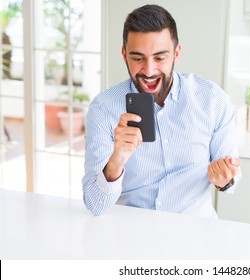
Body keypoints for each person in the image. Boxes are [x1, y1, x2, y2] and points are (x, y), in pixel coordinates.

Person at [82, 4, 241, 218]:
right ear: (124, 55)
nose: (148, 71)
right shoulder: (104, 108)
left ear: (176, 53)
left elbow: (230, 180)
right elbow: (95, 205)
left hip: (195, 234)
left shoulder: (212, 100)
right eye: (138, 58)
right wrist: (116, 159)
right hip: (131, 236)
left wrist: (225, 178)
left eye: (160, 58)